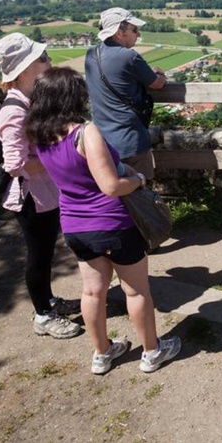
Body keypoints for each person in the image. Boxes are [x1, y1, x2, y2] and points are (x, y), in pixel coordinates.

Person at [25, 67, 181, 375]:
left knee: (92, 292)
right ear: (73, 96)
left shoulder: (41, 136)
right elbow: (110, 186)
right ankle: (152, 352)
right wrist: (137, 179)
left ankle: (102, 353)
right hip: (112, 223)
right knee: (136, 291)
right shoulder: (85, 133)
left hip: (75, 226)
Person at [0, 33, 82, 340]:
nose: (49, 60)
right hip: (31, 197)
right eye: (42, 58)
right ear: (23, 69)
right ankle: (43, 315)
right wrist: (57, 155)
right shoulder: (14, 111)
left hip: (45, 193)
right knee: (39, 256)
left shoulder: (31, 101)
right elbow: (15, 164)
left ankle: (49, 301)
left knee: (46, 253)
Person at [84, 7, 166, 180]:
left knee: (111, 191)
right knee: (139, 188)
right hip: (131, 140)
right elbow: (157, 84)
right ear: (119, 32)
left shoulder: (91, 54)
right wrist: (160, 74)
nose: (138, 34)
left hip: (102, 142)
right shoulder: (129, 57)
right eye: (134, 30)